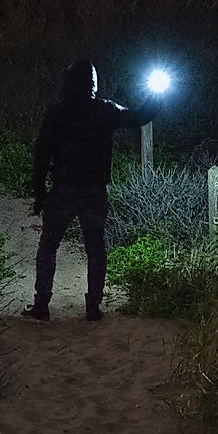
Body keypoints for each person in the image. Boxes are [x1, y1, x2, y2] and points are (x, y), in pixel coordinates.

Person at [25, 59, 146, 321]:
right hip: (93, 190)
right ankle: (93, 307)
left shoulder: (57, 113)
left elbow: (42, 154)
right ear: (93, 83)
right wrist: (158, 95)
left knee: (48, 246)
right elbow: (139, 117)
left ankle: (42, 305)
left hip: (63, 189)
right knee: (95, 248)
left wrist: (39, 191)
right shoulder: (105, 111)